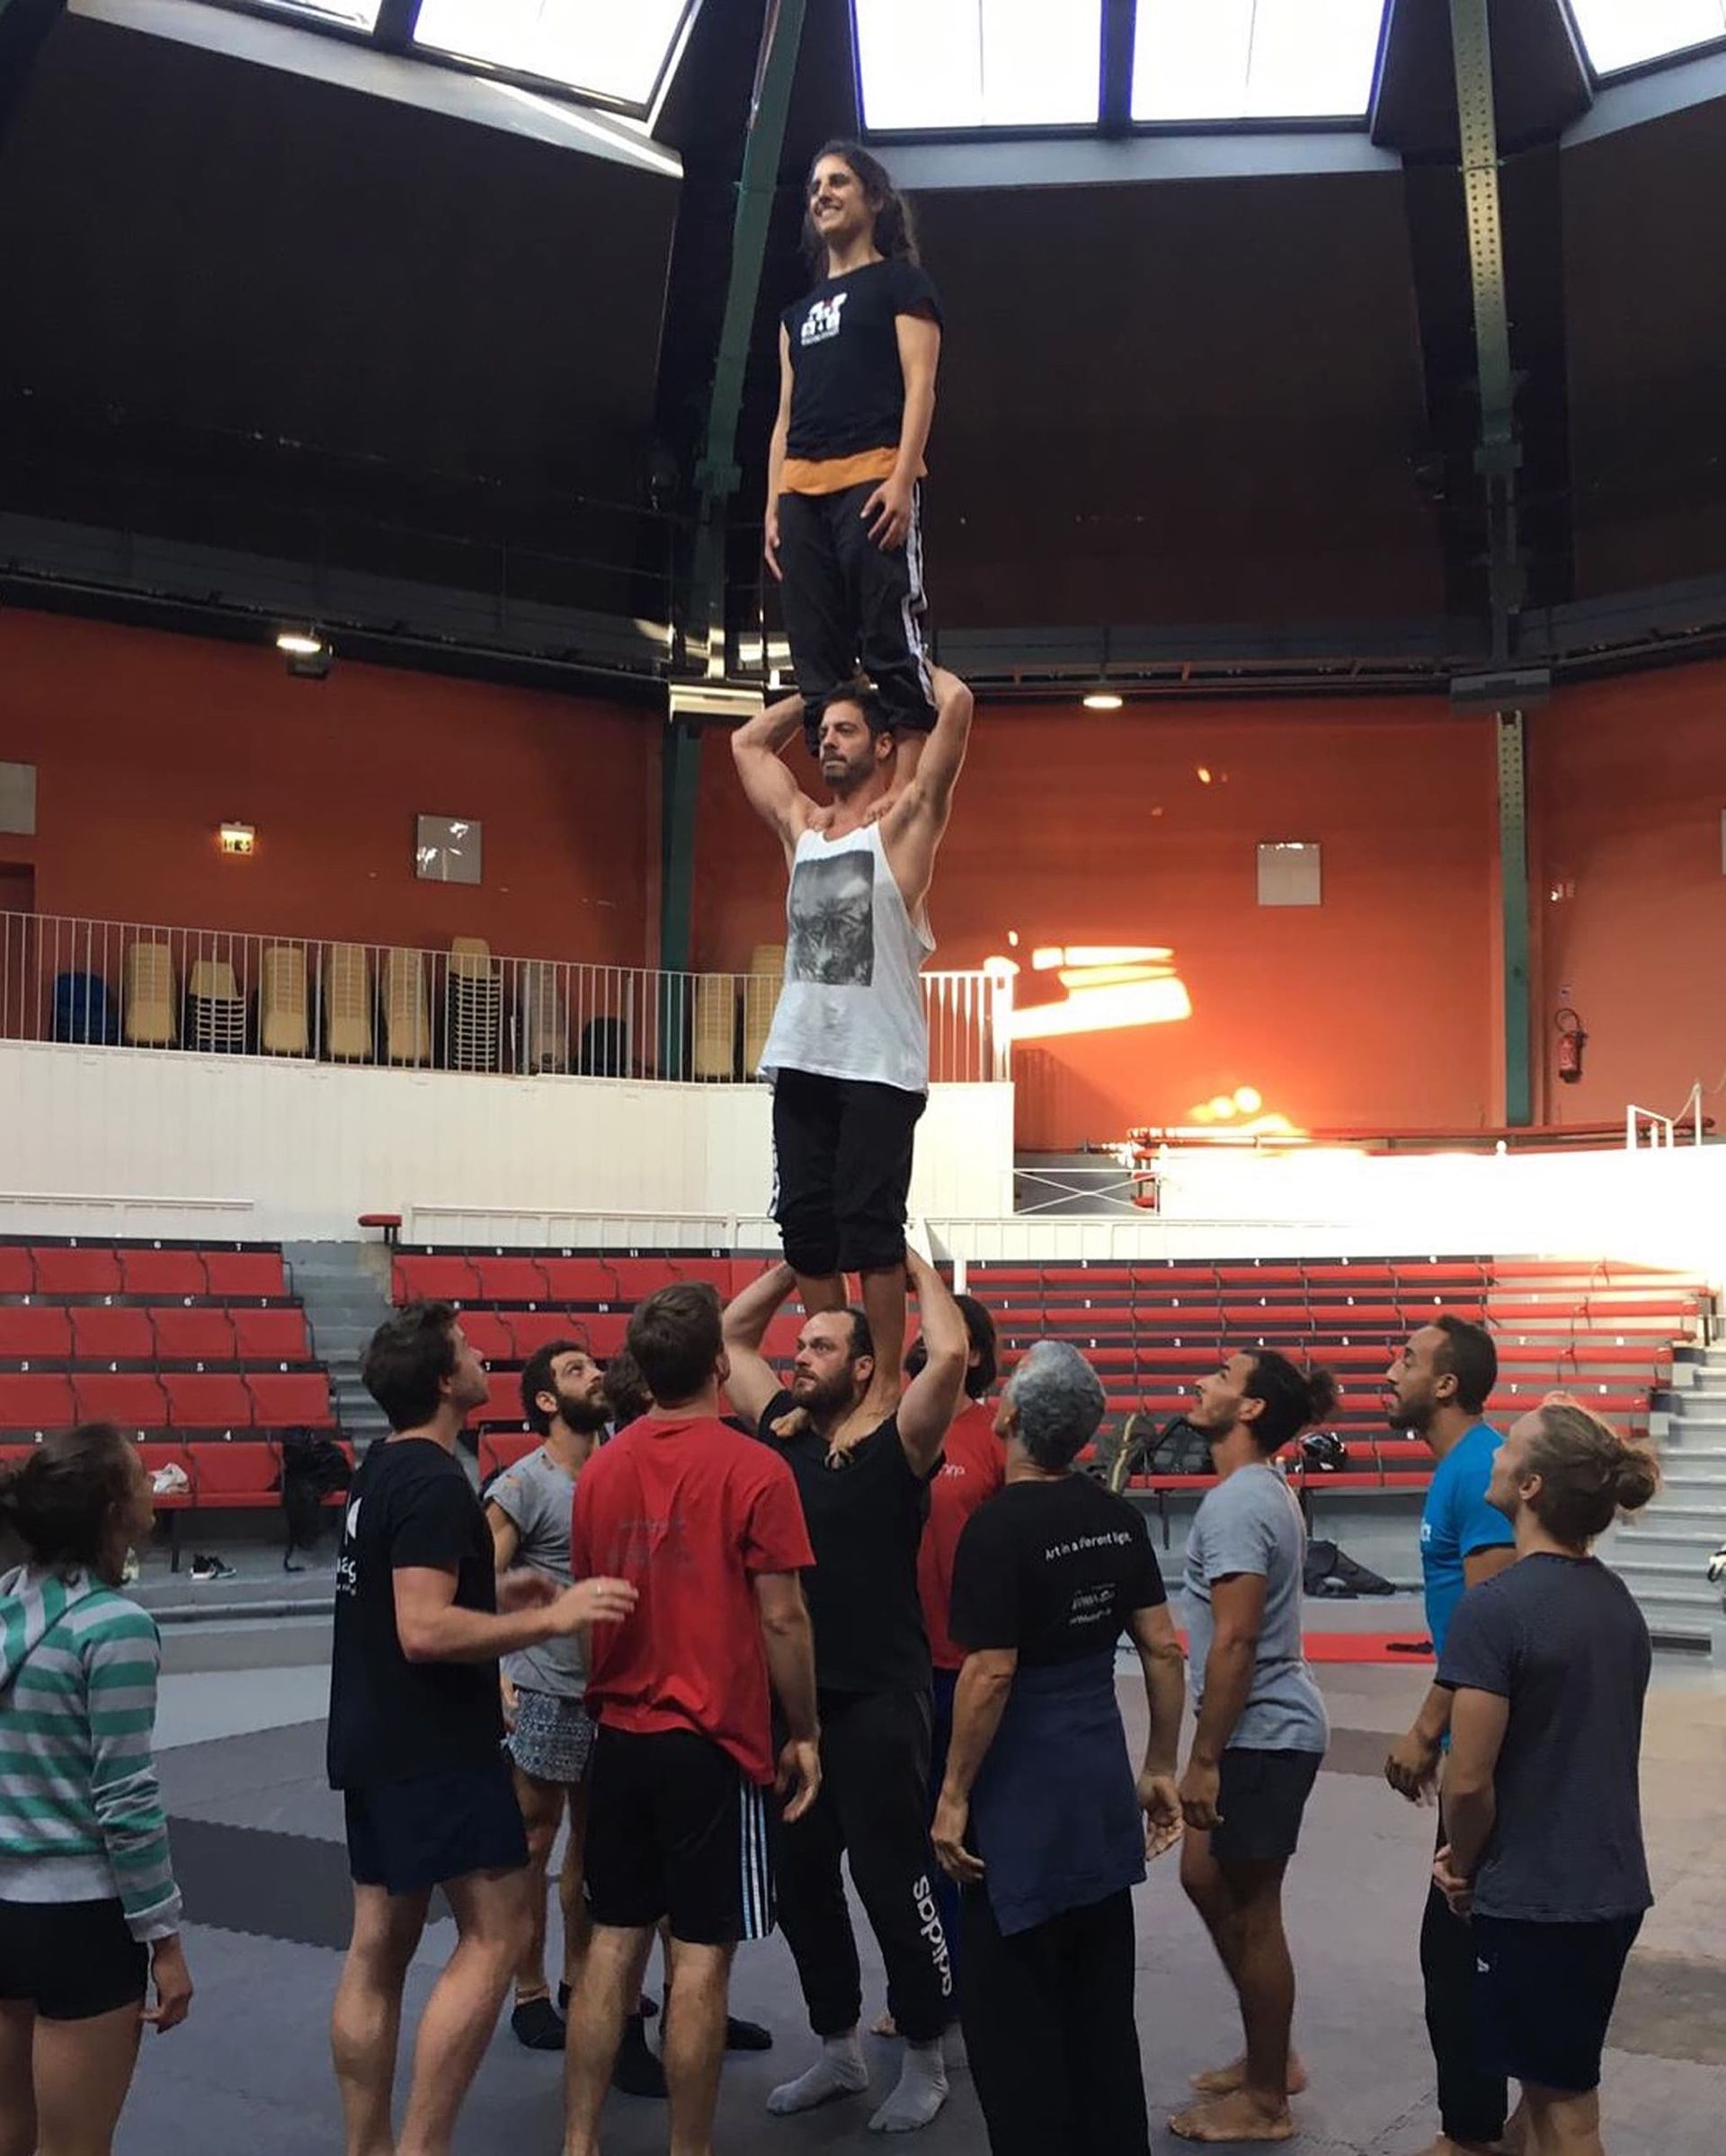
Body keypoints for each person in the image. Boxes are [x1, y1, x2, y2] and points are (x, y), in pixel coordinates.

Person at [327, 1302, 636, 2156]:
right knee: (497, 1931)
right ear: (440, 1380)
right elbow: (422, 1630)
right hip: (433, 1747)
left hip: (374, 1737)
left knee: (376, 1949)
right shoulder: (433, 1479)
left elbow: (408, 1595)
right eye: (464, 1349)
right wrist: (551, 1618)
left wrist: (499, 1595)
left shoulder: (381, 1467)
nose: (481, 1355)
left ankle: (370, 2146)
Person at [562, 1282, 820, 2156]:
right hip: (711, 1743)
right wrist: (807, 1730)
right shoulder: (757, 1468)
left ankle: (579, 2141)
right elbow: (784, 1618)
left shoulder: (597, 1470)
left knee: (611, 1943)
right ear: (719, 1364)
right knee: (700, 1957)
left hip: (621, 1738)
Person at [722, 1250, 968, 2134]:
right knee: (800, 1880)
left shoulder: (900, 1438)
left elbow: (947, 1355)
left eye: (823, 1345)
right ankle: (838, 2044)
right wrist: (799, 1263)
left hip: (878, 1696)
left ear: (865, 1363)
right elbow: (730, 1334)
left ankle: (929, 2053)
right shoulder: (782, 1427)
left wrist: (903, 1261)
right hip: (796, 1705)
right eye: (803, 1343)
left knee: (891, 1875)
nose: (802, 1354)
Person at [930, 1341, 1187, 2156]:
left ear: (1007, 1418)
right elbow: (1163, 1648)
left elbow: (990, 1673)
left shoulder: (996, 1529)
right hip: (1097, 1777)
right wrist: (1158, 1764)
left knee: (1012, 2019)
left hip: (1021, 1790)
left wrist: (955, 1794)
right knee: (1101, 2004)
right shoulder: (1116, 1519)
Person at [731, 661, 974, 1406]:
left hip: (877, 1066)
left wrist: (885, 654)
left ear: (885, 746)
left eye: (846, 731)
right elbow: (747, 743)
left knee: (870, 1231)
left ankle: (885, 1388)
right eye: (823, 733)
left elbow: (957, 702)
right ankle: (833, 1367)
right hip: (801, 1056)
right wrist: (821, 682)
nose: (827, 743)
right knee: (806, 1227)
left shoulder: (903, 827)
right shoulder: (803, 828)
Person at [1434, 1399, 1659, 2156]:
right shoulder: (1618, 1604)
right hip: (1610, 1887)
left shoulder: (1494, 1610)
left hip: (1541, 1901)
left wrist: (1464, 1867)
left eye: (1511, 1446)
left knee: (1566, 2110)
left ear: (1529, 1485)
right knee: (1539, 2091)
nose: (1494, 1451)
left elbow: (1468, 1781)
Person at [0, 1424, 191, 2156]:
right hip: (78, 1920)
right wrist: (164, 1939)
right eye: (143, 1476)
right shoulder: (115, 1627)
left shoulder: (7, 1604)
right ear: (115, 1508)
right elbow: (126, 1799)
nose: (155, 1485)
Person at [1171, 1349, 1334, 2146]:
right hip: (1252, 1727)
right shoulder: (1250, 1492)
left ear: (1251, 1410)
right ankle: (1269, 2049)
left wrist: (1202, 1758)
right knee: (1202, 1873)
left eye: (1223, 1376)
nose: (1203, 1381)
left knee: (1255, 1907)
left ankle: (1269, 2095)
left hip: (1262, 1733)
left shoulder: (1240, 1504)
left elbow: (1234, 1640)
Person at [1382, 1318, 1520, 2156]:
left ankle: (1474, 2135)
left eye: (1407, 1359)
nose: (1389, 1369)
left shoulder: (1480, 1471)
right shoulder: (1456, 1472)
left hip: (1491, 1744)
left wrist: (1429, 1728)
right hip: (1474, 1733)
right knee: (1465, 1940)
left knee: (1459, 1945)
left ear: (1445, 1384)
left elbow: (1490, 1625)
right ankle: (1507, 2122)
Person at [765, 140, 943, 762]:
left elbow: (922, 385)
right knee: (814, 652)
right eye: (815, 186)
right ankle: (843, 799)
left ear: (873, 197)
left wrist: (900, 481)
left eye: (838, 181)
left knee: (889, 633)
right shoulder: (794, 316)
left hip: (873, 476)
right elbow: (784, 417)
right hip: (801, 492)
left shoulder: (900, 282)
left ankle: (906, 789)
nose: (822, 193)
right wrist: (772, 507)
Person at [485, 1339, 609, 2053]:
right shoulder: (523, 1484)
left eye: (592, 1365)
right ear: (545, 1401)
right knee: (535, 1843)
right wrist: (500, 1668)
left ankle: (579, 1977)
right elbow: (476, 1585)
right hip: (545, 1689)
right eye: (574, 1370)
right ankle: (528, 1989)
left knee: (596, 1843)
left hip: (610, 1691)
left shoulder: (619, 1465)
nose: (595, 1373)